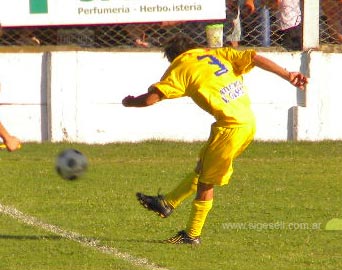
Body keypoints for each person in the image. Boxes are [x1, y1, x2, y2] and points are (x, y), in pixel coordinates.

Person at [122, 33, 308, 244]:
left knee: (206, 183)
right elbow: (254, 57)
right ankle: (167, 203)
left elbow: (150, 100)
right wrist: (287, 75)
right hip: (246, 122)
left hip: (230, 128)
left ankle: (192, 235)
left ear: (173, 57)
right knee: (203, 167)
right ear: (195, 45)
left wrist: (130, 102)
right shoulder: (217, 53)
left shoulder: (180, 66)